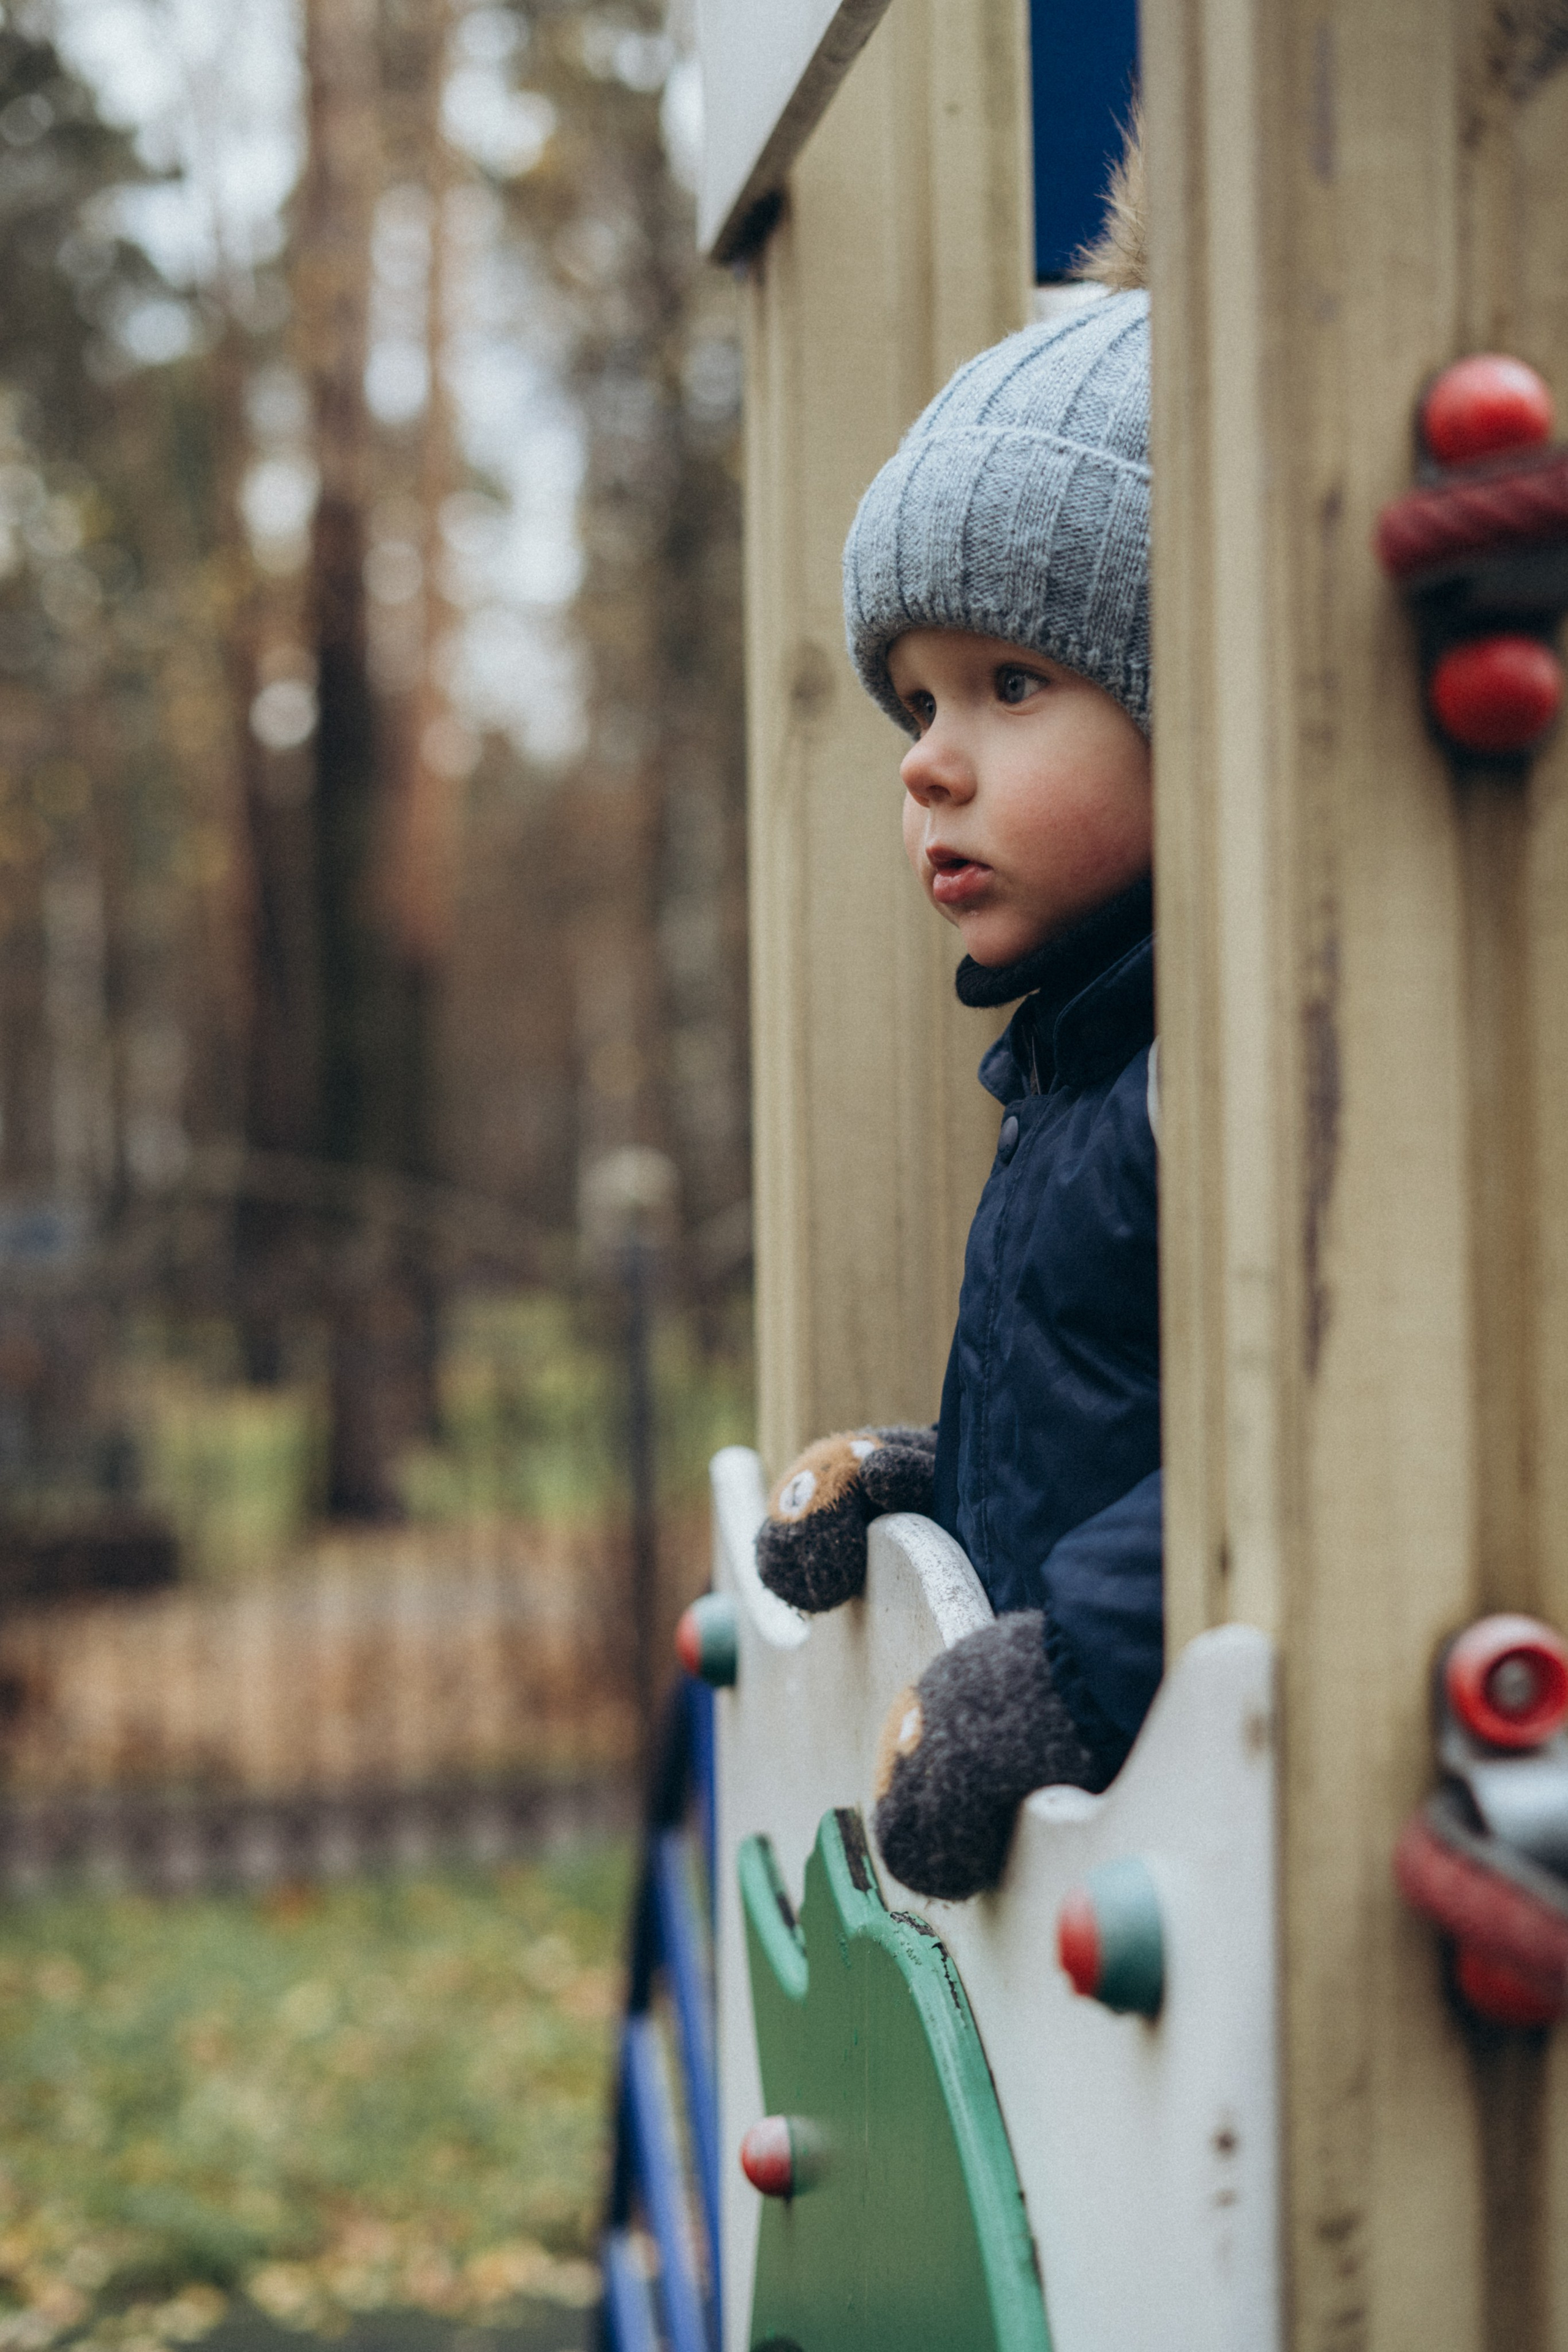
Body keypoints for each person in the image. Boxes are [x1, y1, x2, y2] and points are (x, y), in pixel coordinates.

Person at [754, 148, 1162, 1902]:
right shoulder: (1080, 1065)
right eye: (916, 699)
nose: (928, 758)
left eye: (1014, 685)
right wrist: (945, 1488)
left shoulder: (1207, 1081)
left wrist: (1073, 1661)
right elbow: (1119, 1409)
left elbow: (1284, 1460)